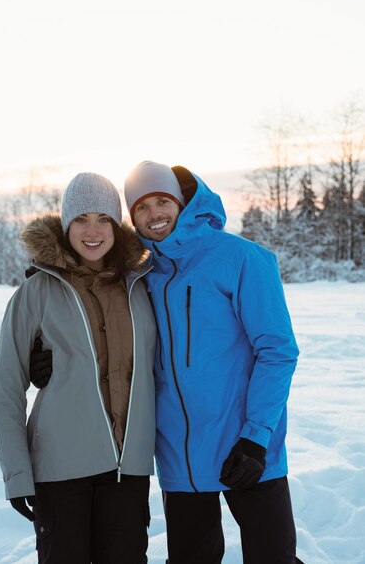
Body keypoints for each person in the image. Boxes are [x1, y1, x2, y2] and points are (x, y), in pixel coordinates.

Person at [122, 161, 304, 564]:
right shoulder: (141, 275)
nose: (154, 214)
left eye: (162, 201)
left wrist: (256, 437)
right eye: (141, 207)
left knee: (274, 558)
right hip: (179, 455)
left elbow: (277, 351)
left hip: (247, 447)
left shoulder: (241, 259)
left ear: (182, 202)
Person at [0, 171, 157, 564]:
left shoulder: (142, 286)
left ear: (117, 225)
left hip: (127, 472)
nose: (93, 230)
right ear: (66, 226)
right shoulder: (36, 292)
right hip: (60, 473)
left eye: (103, 218)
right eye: (81, 219)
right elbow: (6, 390)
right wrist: (17, 475)